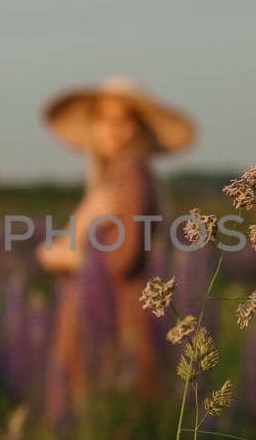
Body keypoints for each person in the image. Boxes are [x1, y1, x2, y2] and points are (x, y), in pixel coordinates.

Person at [37, 75, 197, 417]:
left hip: (117, 321)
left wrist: (63, 255)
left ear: (138, 128)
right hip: (105, 314)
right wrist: (83, 218)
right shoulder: (114, 175)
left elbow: (122, 260)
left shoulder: (131, 176)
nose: (113, 129)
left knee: (113, 422)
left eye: (124, 120)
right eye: (103, 119)